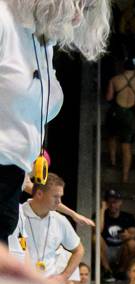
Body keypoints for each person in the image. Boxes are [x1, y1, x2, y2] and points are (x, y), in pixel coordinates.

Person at [0, 0, 109, 241]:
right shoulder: (3, 18)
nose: (79, 18)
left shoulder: (43, 43)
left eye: (87, 8)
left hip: (12, 182)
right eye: (78, 3)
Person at [8, 173, 83, 282]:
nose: (59, 202)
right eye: (55, 196)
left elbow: (79, 250)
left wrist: (63, 276)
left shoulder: (60, 220)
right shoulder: (18, 215)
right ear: (39, 194)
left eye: (60, 197)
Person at [105, 58, 135, 184]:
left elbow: (109, 97)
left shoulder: (115, 79)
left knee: (112, 136)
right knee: (126, 146)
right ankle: (125, 175)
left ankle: (112, 160)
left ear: (123, 67)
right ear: (134, 69)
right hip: (130, 115)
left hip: (116, 112)